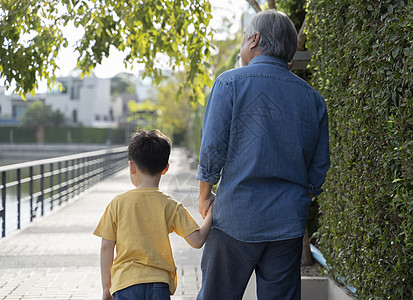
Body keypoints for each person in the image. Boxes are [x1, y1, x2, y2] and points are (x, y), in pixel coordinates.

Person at [196, 10, 330, 300]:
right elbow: (319, 166)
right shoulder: (313, 99)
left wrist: (205, 192)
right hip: (287, 223)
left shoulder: (229, 83)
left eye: (245, 37)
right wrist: (297, 200)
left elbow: (212, 148)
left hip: (235, 218)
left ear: (254, 39)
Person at [94, 129, 213, 300]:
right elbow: (197, 240)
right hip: (159, 283)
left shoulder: (117, 204)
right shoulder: (170, 205)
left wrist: (107, 287)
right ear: (165, 168)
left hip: (125, 283)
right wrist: (212, 210)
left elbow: (106, 246)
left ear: (131, 166)